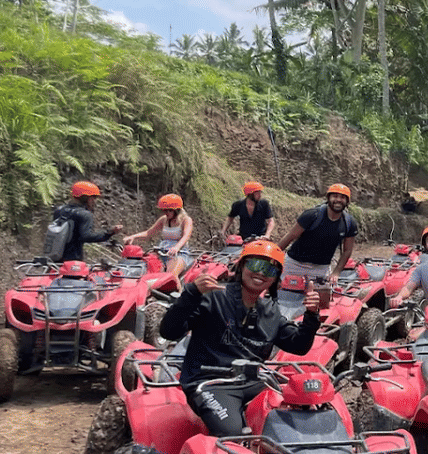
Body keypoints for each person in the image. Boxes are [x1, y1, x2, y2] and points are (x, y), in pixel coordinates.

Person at [160, 240, 320, 436]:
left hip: (253, 382)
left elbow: (299, 346)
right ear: (242, 265)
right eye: (255, 264)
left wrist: (311, 316)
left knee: (296, 417)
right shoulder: (213, 297)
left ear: (276, 278)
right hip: (210, 383)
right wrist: (191, 294)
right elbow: (169, 332)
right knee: (232, 435)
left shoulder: (271, 312)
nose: (261, 273)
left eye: (270, 270)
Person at [277, 183, 357, 283]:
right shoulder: (312, 215)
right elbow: (290, 236)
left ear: (347, 201)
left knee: (322, 296)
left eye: (342, 197)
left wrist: (336, 272)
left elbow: (347, 251)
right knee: (282, 293)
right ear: (328, 198)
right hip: (295, 263)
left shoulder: (349, 223)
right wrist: (272, 257)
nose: (338, 200)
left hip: (321, 268)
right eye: (335, 196)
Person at [124, 194, 194, 276]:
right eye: (164, 210)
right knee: (144, 266)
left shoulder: (186, 220)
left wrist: (176, 248)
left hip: (180, 253)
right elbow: (148, 233)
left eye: (169, 210)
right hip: (162, 251)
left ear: (177, 210)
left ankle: (177, 287)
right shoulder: (163, 219)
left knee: (170, 275)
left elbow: (186, 235)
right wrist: (133, 237)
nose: (166, 213)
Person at [53, 181, 124, 262]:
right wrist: (109, 232)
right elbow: (86, 236)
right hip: (72, 260)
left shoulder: (59, 210)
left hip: (55, 258)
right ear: (88, 198)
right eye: (94, 198)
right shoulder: (85, 214)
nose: (94, 201)